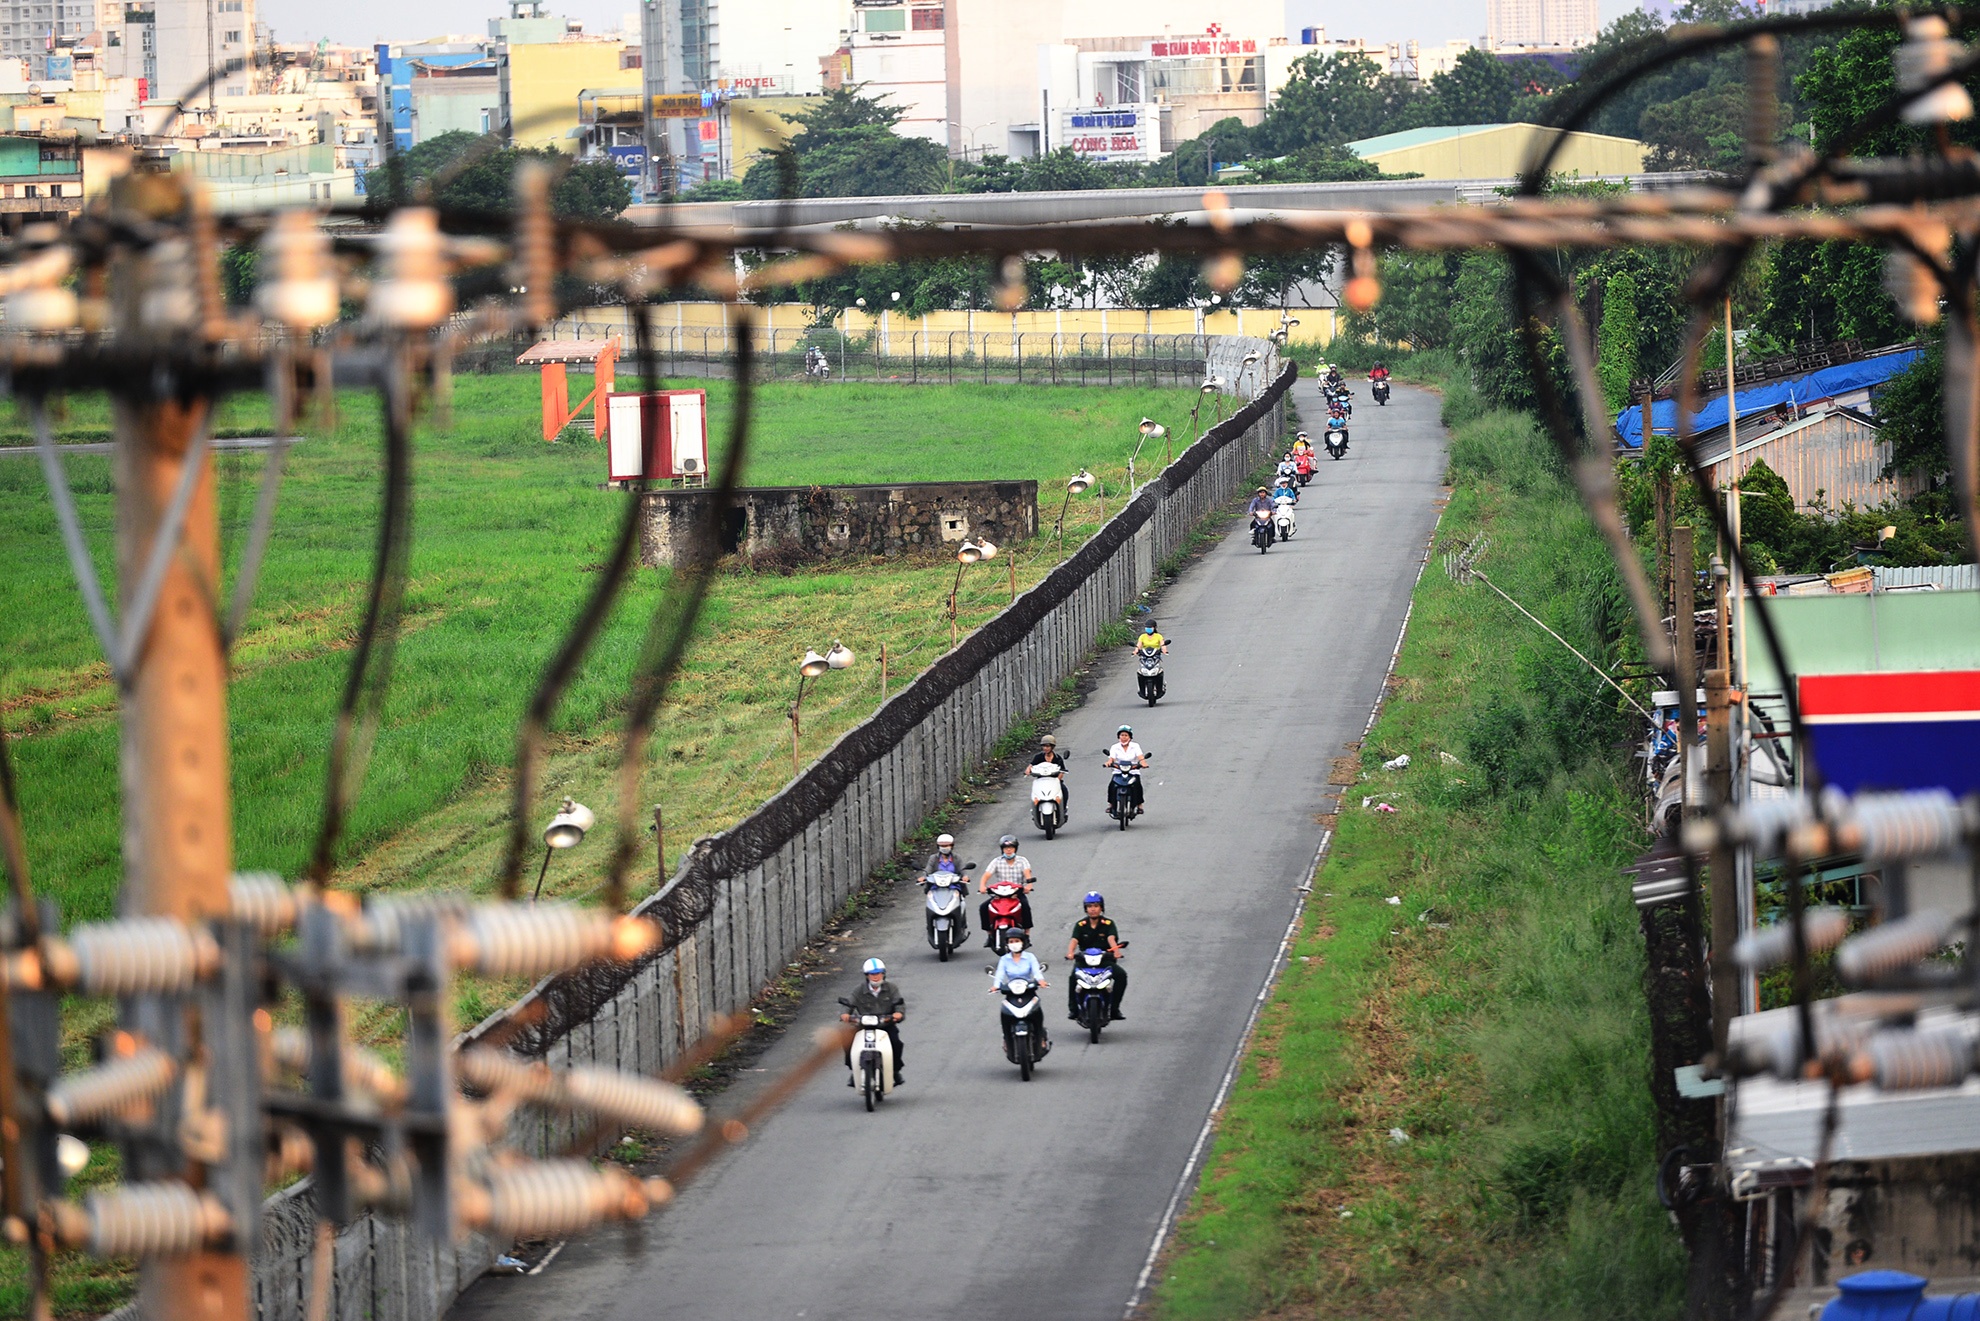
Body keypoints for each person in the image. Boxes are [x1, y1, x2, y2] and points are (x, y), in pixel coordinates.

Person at [840, 957, 905, 1086]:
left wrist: (898, 1014)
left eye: (878, 973)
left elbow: (899, 1004)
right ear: (867, 975)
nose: (875, 977)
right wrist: (845, 1014)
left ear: (883, 974)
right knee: (847, 1042)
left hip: (885, 1025)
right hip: (863, 1026)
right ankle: (854, 1070)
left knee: (896, 1044)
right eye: (872, 974)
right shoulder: (859, 990)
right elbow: (849, 1003)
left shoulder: (892, 988)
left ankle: (895, 1071)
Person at [1066, 892, 1128, 1021]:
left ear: (1101, 908)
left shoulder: (1108, 924)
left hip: (1104, 960)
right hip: (1084, 960)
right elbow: (1074, 940)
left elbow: (1111, 938)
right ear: (1086, 909)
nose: (1093, 909)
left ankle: (1115, 1009)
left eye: (1096, 906)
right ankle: (1073, 1010)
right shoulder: (1080, 925)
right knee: (1073, 978)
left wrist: (1116, 951)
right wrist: (1070, 952)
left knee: (1121, 975)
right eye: (1089, 906)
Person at [991, 928, 1049, 1052]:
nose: (1014, 944)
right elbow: (1000, 974)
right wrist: (996, 986)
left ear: (1023, 942)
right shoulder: (1004, 959)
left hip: (1028, 990)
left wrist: (1041, 981)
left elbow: (1036, 971)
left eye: (1016, 941)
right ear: (1007, 943)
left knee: (1037, 1013)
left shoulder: (1030, 957)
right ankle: (1006, 1038)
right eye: (1011, 941)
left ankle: (1041, 1037)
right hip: (1011, 992)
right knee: (1005, 1014)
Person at [978, 834, 1036, 947]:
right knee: (983, 907)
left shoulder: (1022, 861)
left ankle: (1027, 935)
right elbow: (986, 875)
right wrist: (982, 886)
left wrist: (1029, 885)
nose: (1008, 850)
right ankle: (990, 935)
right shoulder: (996, 861)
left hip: (1016, 893)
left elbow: (1027, 873)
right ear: (1002, 849)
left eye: (1011, 848)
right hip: (999, 894)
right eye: (1006, 848)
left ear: (1015, 849)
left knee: (1025, 906)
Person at [1103, 724, 1148, 816]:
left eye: (1126, 735)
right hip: (1118, 771)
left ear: (1130, 737)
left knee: (1137, 786)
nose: (1123, 737)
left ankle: (1139, 805)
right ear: (1118, 736)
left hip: (1133, 771)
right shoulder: (1115, 747)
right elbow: (1111, 758)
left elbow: (1140, 757)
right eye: (1122, 735)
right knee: (1112, 786)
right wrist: (1108, 763)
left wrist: (1143, 763)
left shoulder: (1135, 746)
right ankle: (1111, 805)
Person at [1029, 734, 1070, 817]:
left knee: (1064, 791)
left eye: (1047, 746)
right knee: (1035, 793)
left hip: (1054, 781)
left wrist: (1057, 780)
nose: (1045, 748)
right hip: (1041, 781)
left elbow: (1062, 771)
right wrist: (1028, 771)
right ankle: (1035, 811)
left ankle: (1063, 808)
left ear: (1052, 747)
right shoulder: (1038, 757)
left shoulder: (1057, 758)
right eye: (1044, 746)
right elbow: (1031, 766)